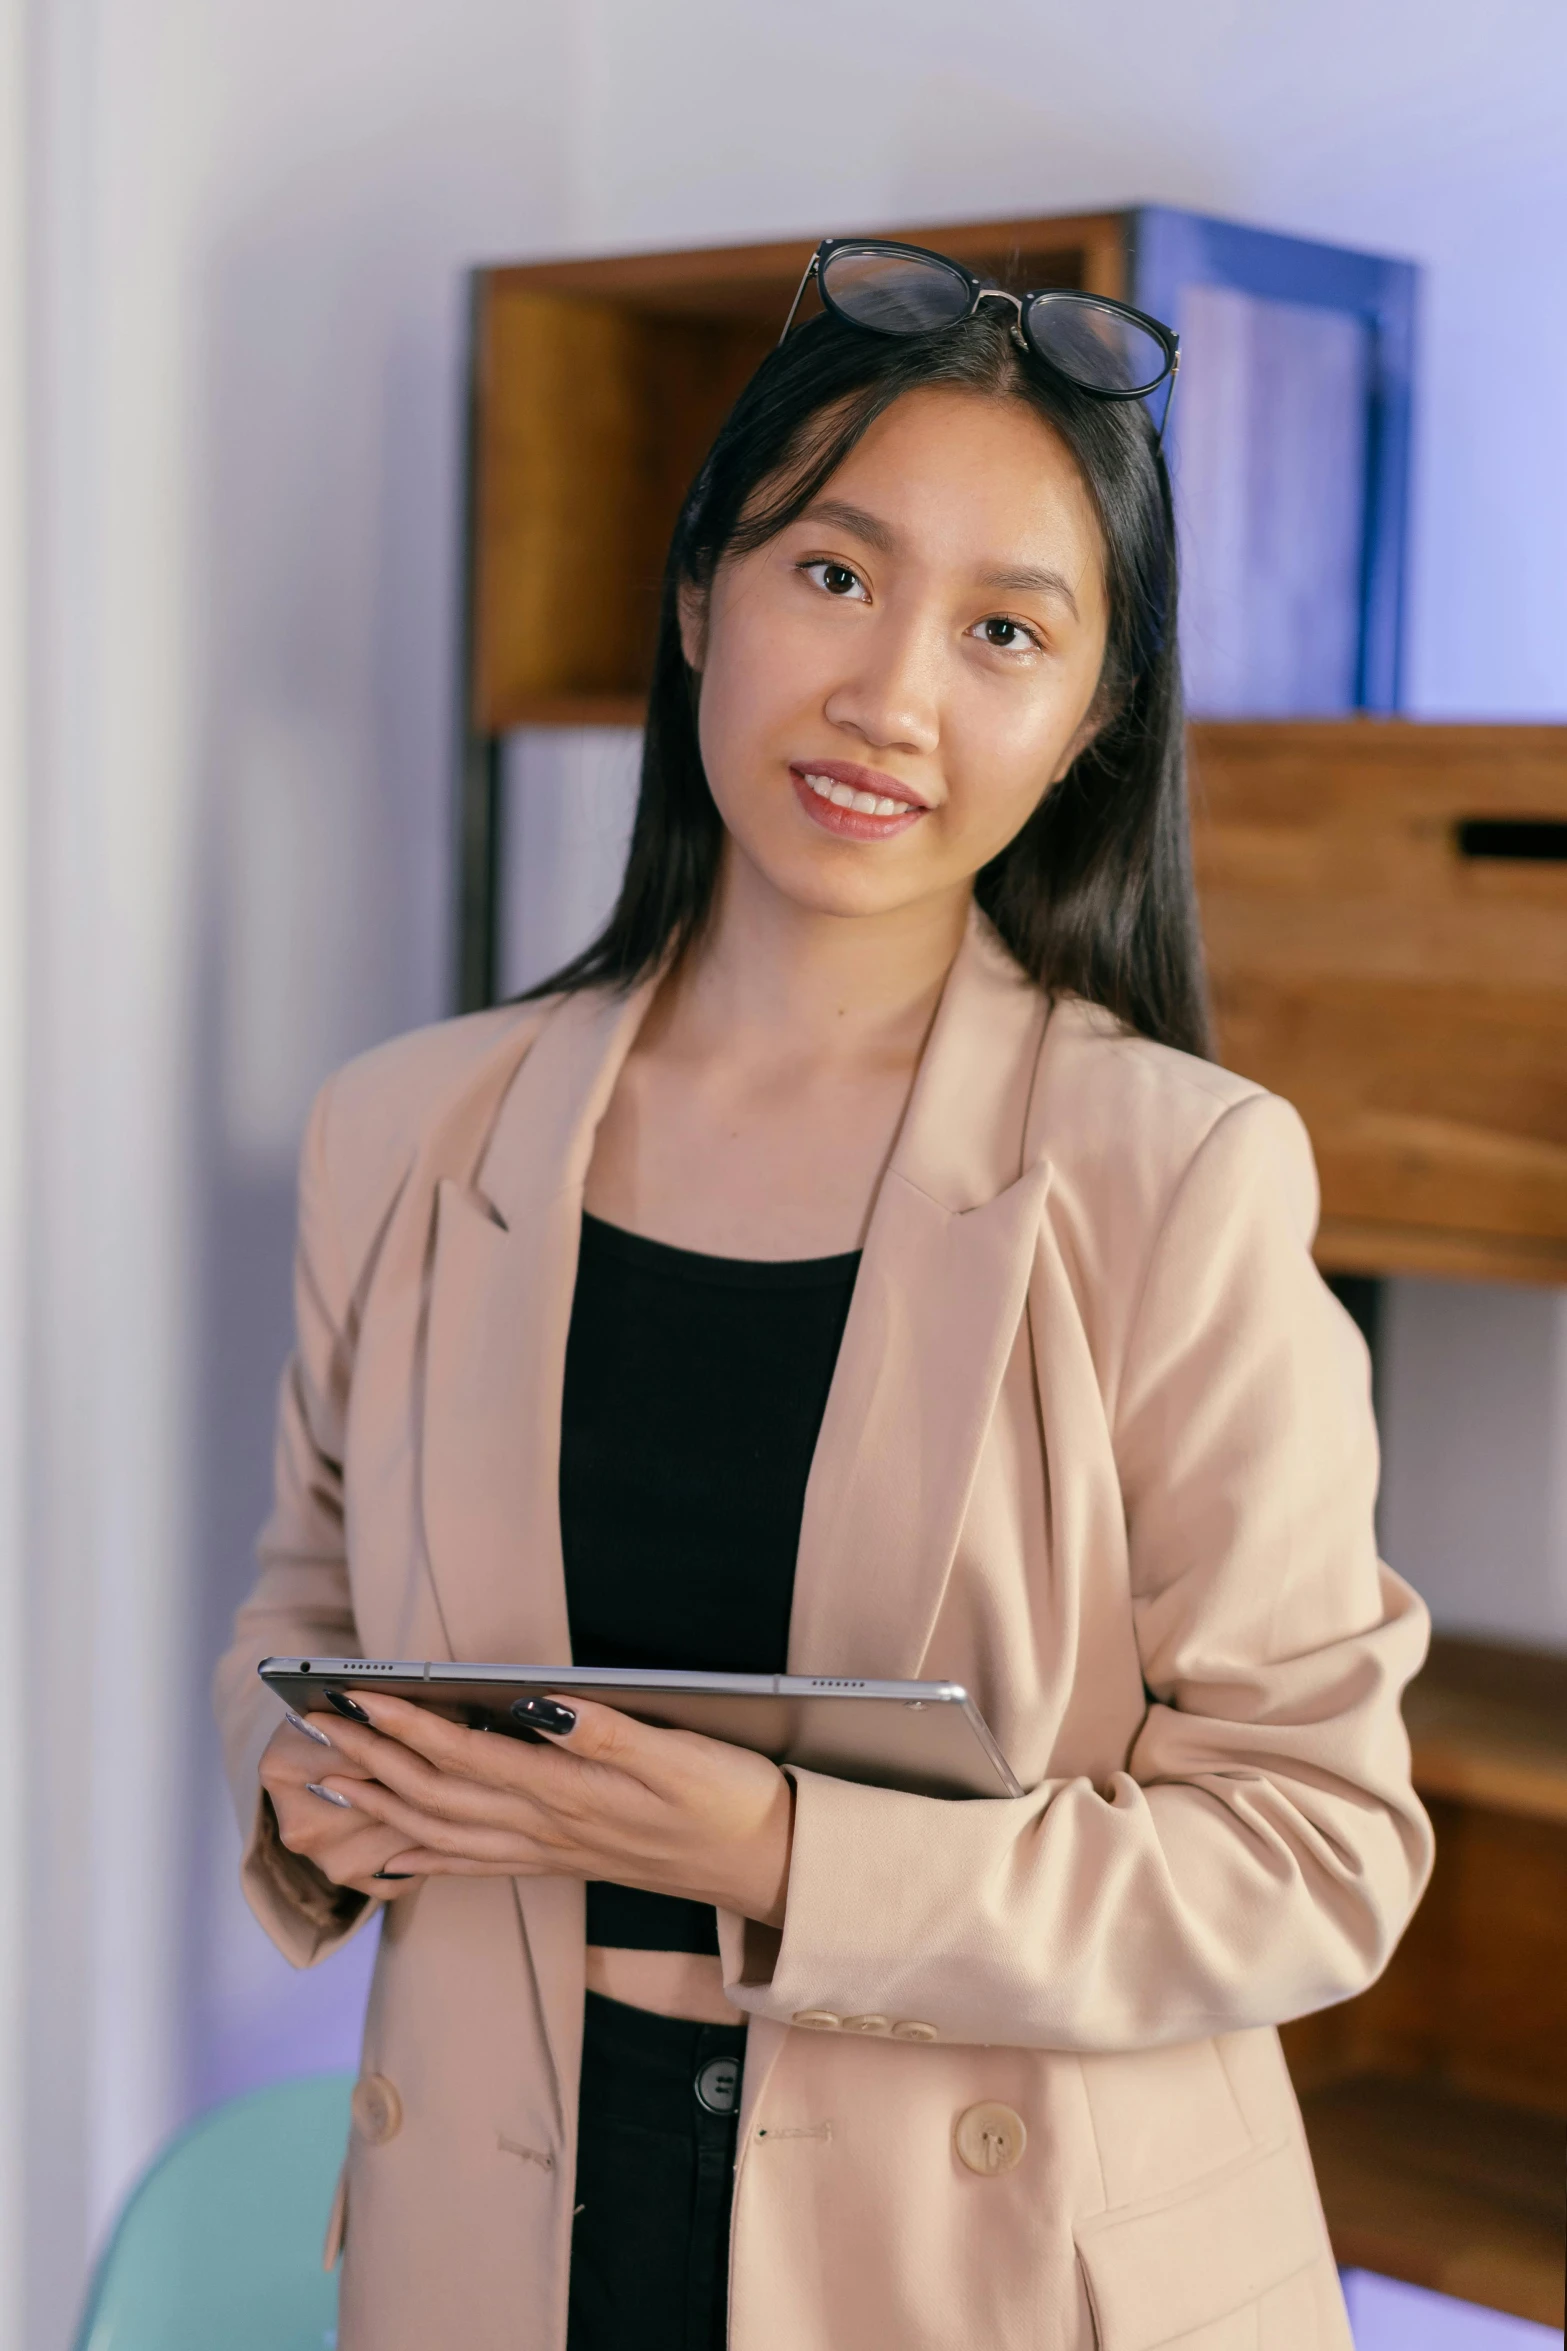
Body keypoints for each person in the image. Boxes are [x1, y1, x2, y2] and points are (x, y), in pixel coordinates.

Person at [214, 239, 1433, 2351]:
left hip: (994, 2264)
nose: (892, 697)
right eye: (836, 576)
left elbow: (1316, 1843)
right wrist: (302, 1781)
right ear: (700, 596)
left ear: (1090, 716)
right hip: (509, 2227)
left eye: (1004, 631)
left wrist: (788, 1848)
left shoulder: (1178, 1175)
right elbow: (305, 1597)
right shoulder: (403, 1130)